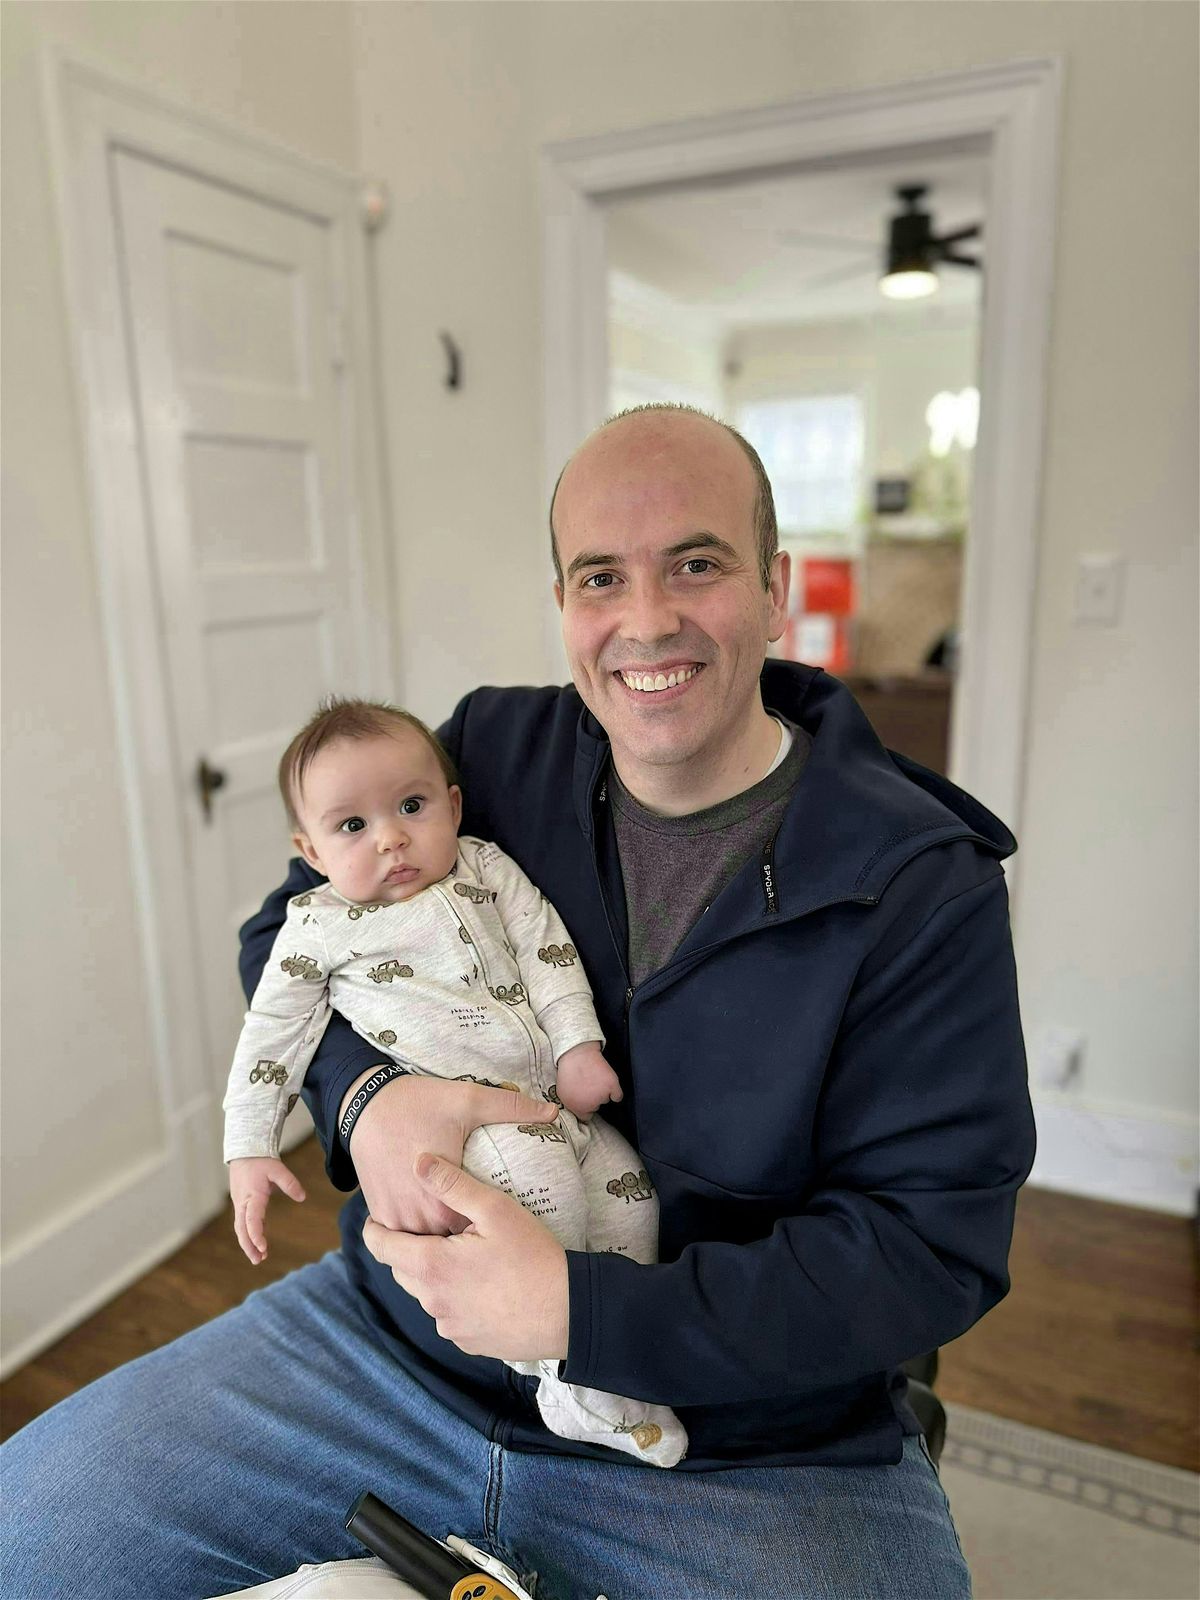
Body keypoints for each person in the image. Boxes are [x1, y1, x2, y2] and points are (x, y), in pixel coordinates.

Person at [1, 404, 1034, 1600]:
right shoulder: (492, 751)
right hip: (392, 1351)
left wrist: (580, 1311)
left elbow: (927, 1250)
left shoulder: (918, 879)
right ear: (563, 603)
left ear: (774, 588)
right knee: (26, 1537)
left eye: (696, 564)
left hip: (745, 1442)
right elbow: (289, 930)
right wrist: (367, 1098)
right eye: (602, 577)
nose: (646, 620)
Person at [223, 696, 686, 1467]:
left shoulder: (486, 868)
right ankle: (568, 1382)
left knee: (632, 1201)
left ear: (454, 805)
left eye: (412, 806)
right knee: (549, 1209)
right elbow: (272, 1036)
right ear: (311, 851)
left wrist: (577, 1047)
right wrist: (249, 1145)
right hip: (475, 1134)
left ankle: (612, 1356)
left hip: (555, 1105)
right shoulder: (316, 926)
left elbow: (547, 953)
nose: (391, 838)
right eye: (352, 826)